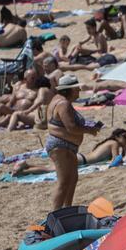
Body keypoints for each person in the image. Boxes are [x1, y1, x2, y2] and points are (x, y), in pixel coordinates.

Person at [46, 76, 103, 210]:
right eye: (76, 88)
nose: (78, 91)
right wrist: (90, 130)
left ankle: (67, 209)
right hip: (61, 146)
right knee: (64, 182)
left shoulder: (58, 100)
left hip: (65, 146)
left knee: (72, 179)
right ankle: (55, 214)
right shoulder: (63, 104)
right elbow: (71, 127)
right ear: (69, 90)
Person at [14, 128, 126, 175]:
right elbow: (116, 160)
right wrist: (123, 150)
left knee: (52, 166)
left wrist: (124, 149)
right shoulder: (114, 143)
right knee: (51, 169)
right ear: (117, 137)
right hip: (81, 160)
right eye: (125, 137)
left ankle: (26, 165)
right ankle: (23, 172)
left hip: (80, 158)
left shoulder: (110, 142)